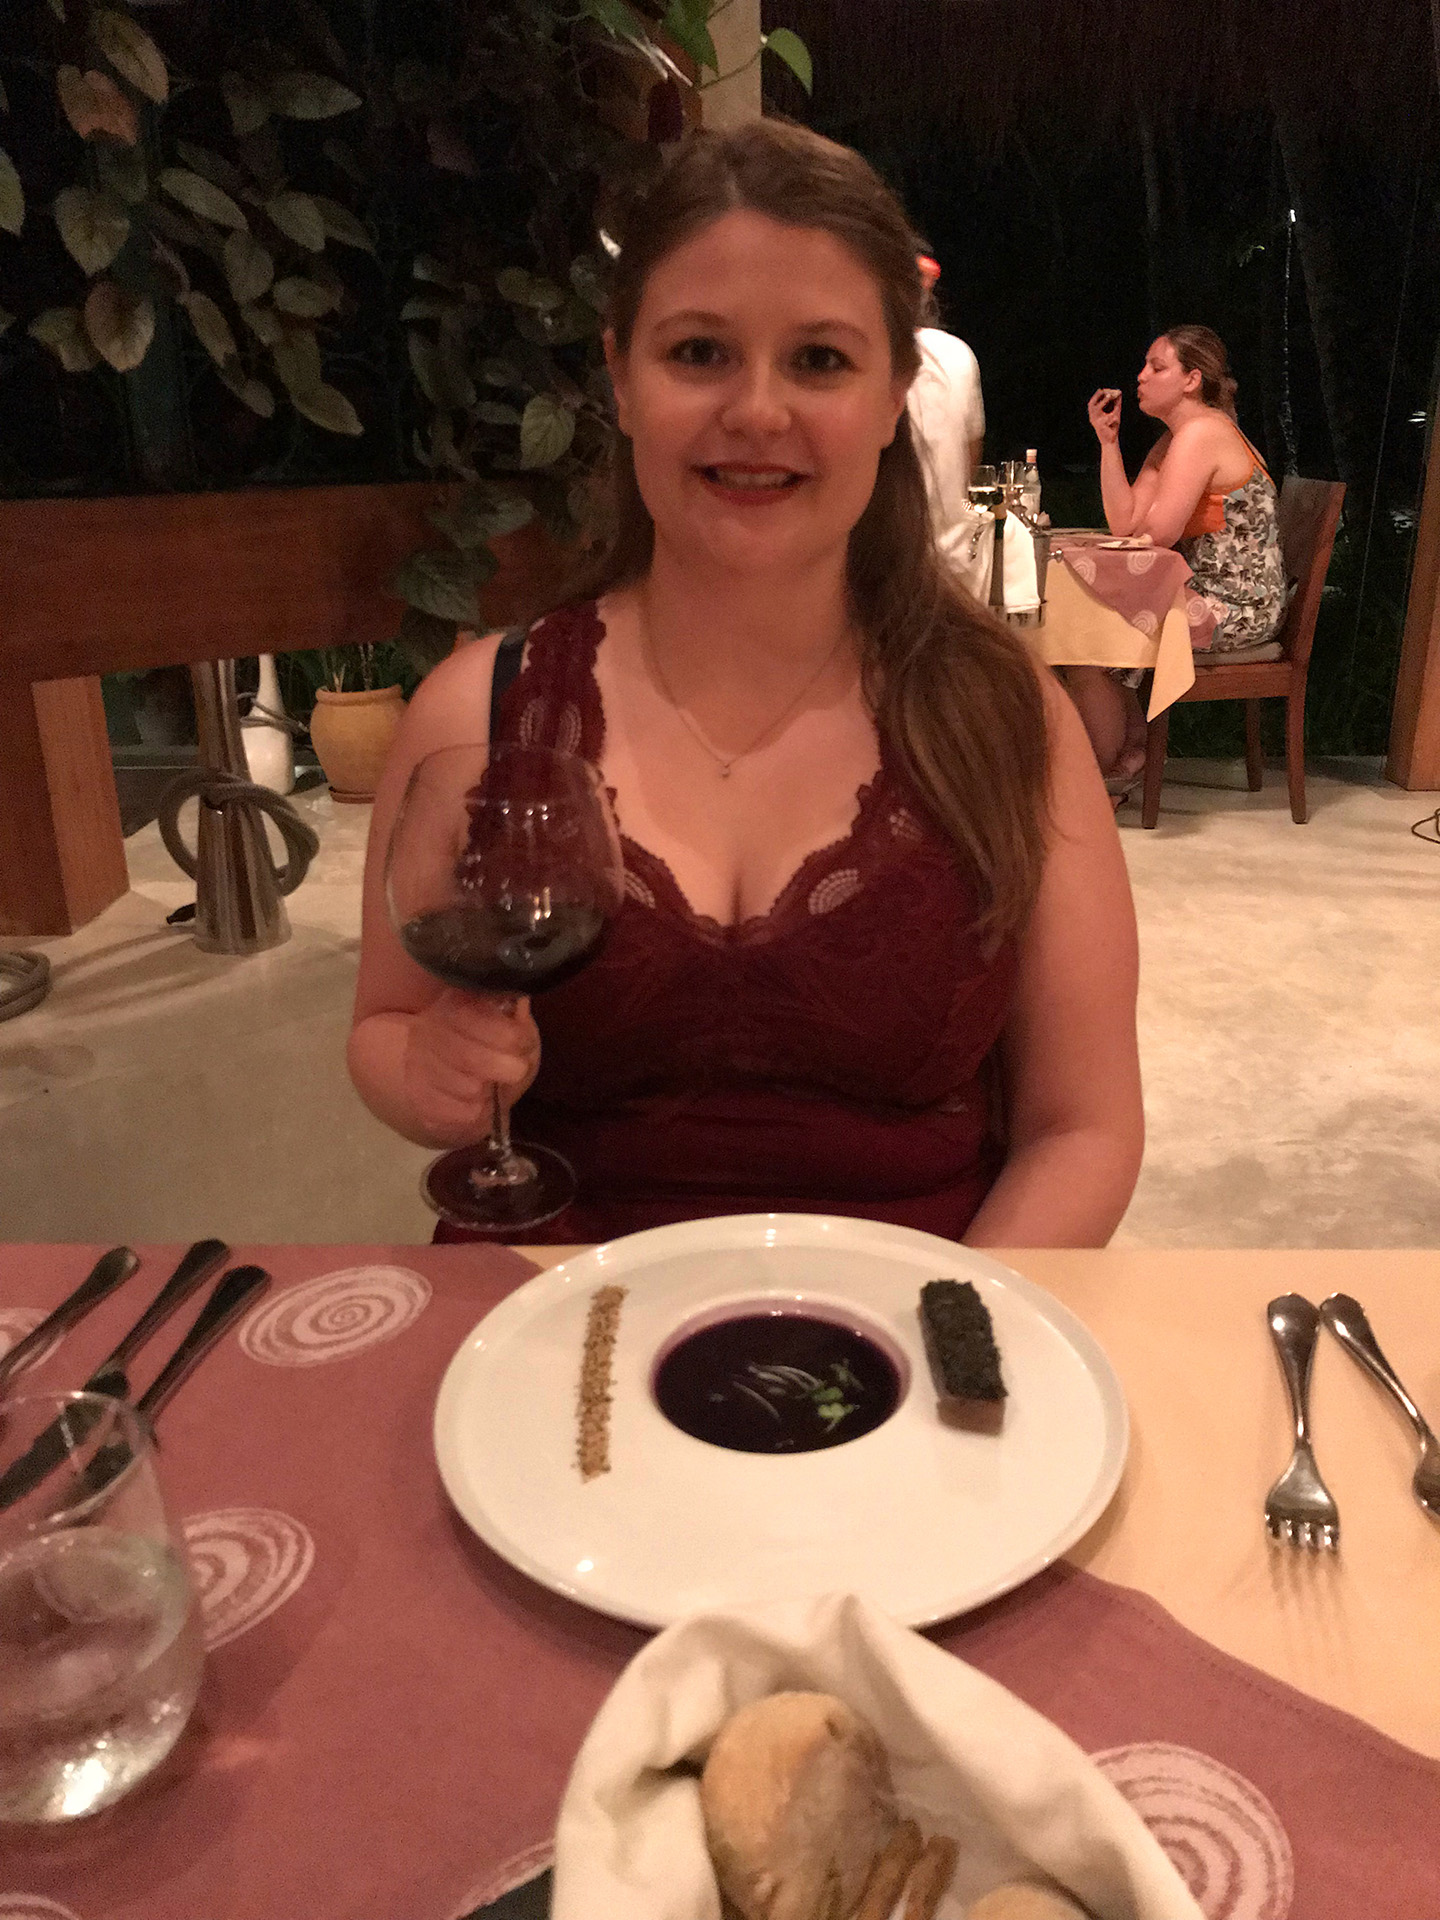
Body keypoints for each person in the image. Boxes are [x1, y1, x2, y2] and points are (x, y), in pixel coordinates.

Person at [348, 120, 1142, 1250]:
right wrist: (424, 1075)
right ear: (622, 379)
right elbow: (383, 1024)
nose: (758, 413)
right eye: (699, 352)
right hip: (551, 1326)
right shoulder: (477, 708)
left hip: (910, 1326)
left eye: (819, 360)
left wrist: (947, 1327)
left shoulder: (1008, 717)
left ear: (894, 396)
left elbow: (1085, 1129)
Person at [1070, 325, 1288, 788]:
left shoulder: (1203, 432)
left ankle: (1101, 776)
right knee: (1091, 625)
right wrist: (1108, 443)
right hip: (1205, 594)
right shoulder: (1176, 438)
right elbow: (1127, 524)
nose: (1141, 376)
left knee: (1091, 637)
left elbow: (1159, 534)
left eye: (1157, 367)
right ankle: (1131, 753)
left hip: (1238, 606)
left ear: (1191, 380)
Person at [906, 254, 986, 538]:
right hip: (953, 546)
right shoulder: (956, 352)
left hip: (883, 548)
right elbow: (970, 457)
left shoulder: (871, 351)